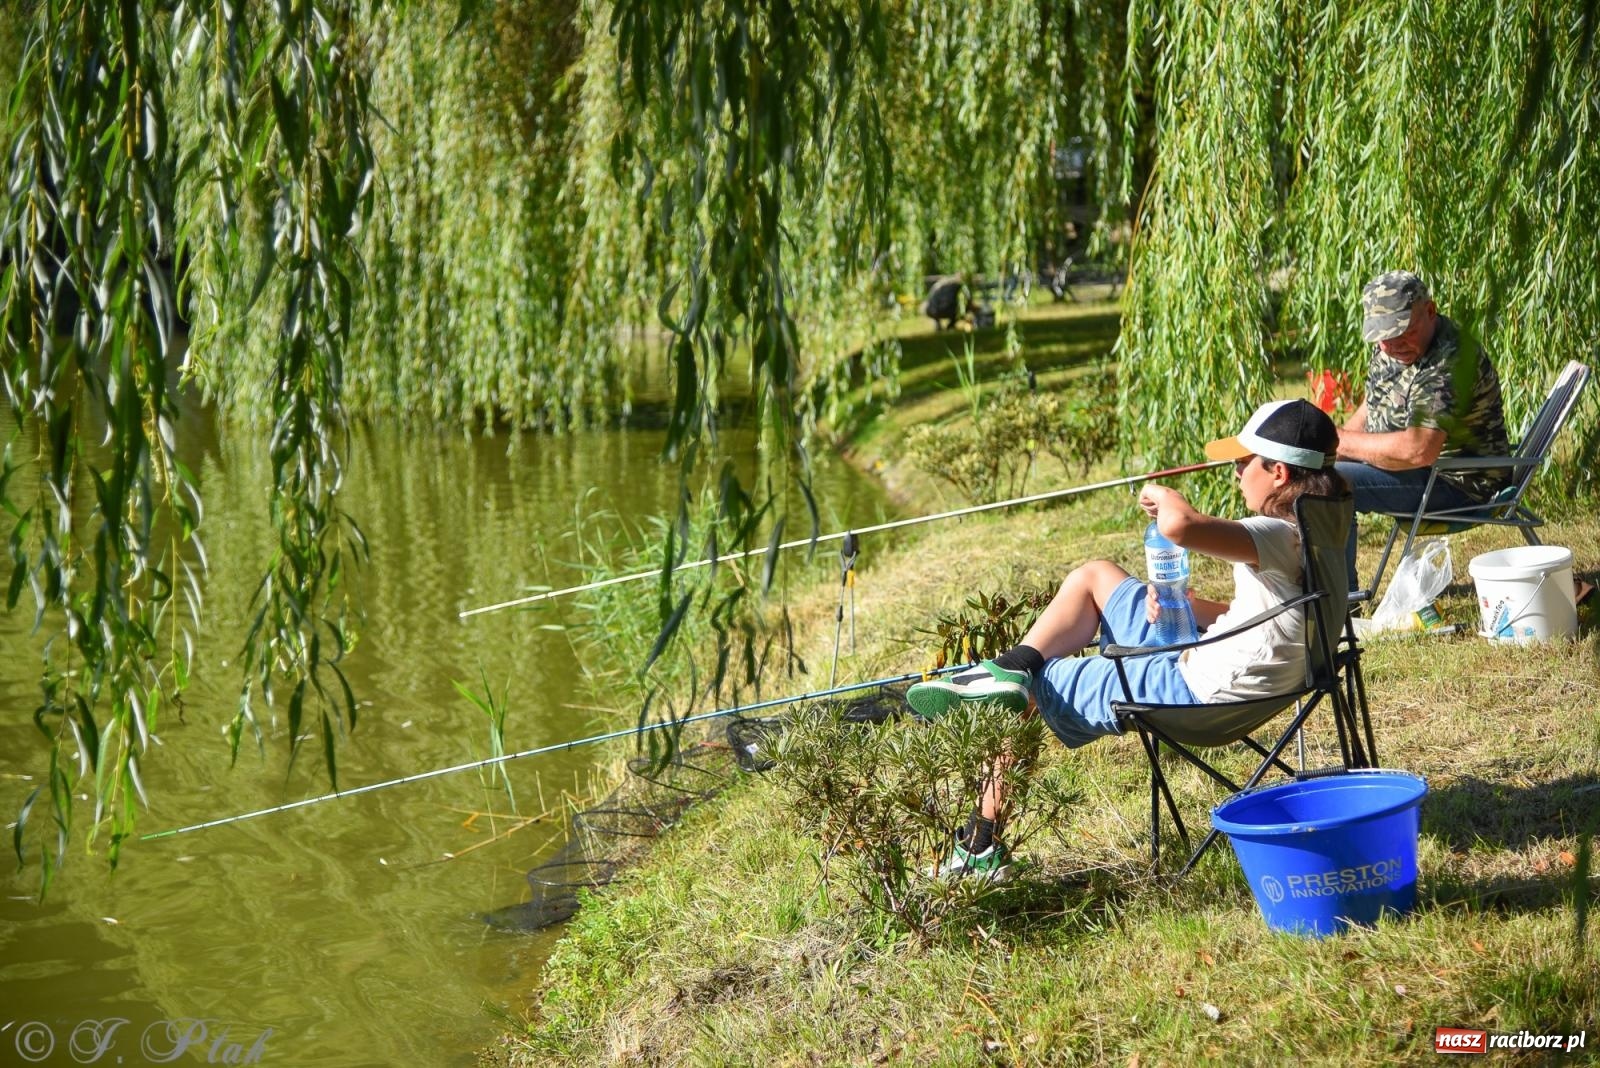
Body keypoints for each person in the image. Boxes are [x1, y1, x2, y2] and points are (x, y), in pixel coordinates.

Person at [905, 399, 1348, 880]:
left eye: (1243, 462)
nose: (1236, 472)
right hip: (1238, 671)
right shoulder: (1326, 521)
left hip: (1200, 696)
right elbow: (1281, 614)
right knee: (1098, 576)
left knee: (1037, 688)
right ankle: (1011, 666)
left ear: (1278, 472)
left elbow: (1178, 527)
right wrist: (1184, 609)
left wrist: (1163, 494)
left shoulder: (1277, 533)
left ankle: (978, 848)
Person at [1334, 271, 1512, 585]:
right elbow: (1372, 405)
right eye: (1382, 334)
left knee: (1331, 484)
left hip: (1458, 484)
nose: (1390, 344)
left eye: (1402, 331)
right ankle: (1317, 591)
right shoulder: (1394, 345)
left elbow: (1419, 449)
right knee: (1318, 472)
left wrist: (1337, 442)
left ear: (1430, 311)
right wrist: (1331, 450)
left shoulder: (1450, 361)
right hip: (1415, 472)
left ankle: (1339, 602)